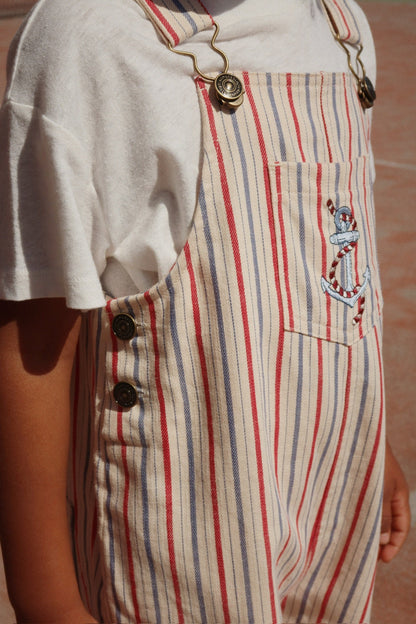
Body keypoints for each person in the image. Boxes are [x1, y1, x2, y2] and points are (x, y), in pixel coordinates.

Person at [0, 0, 410, 622]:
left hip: (323, 497)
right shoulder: (87, 40)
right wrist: (46, 598)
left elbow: (335, 258)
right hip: (179, 538)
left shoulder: (338, 25)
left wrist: (368, 442)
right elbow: (31, 337)